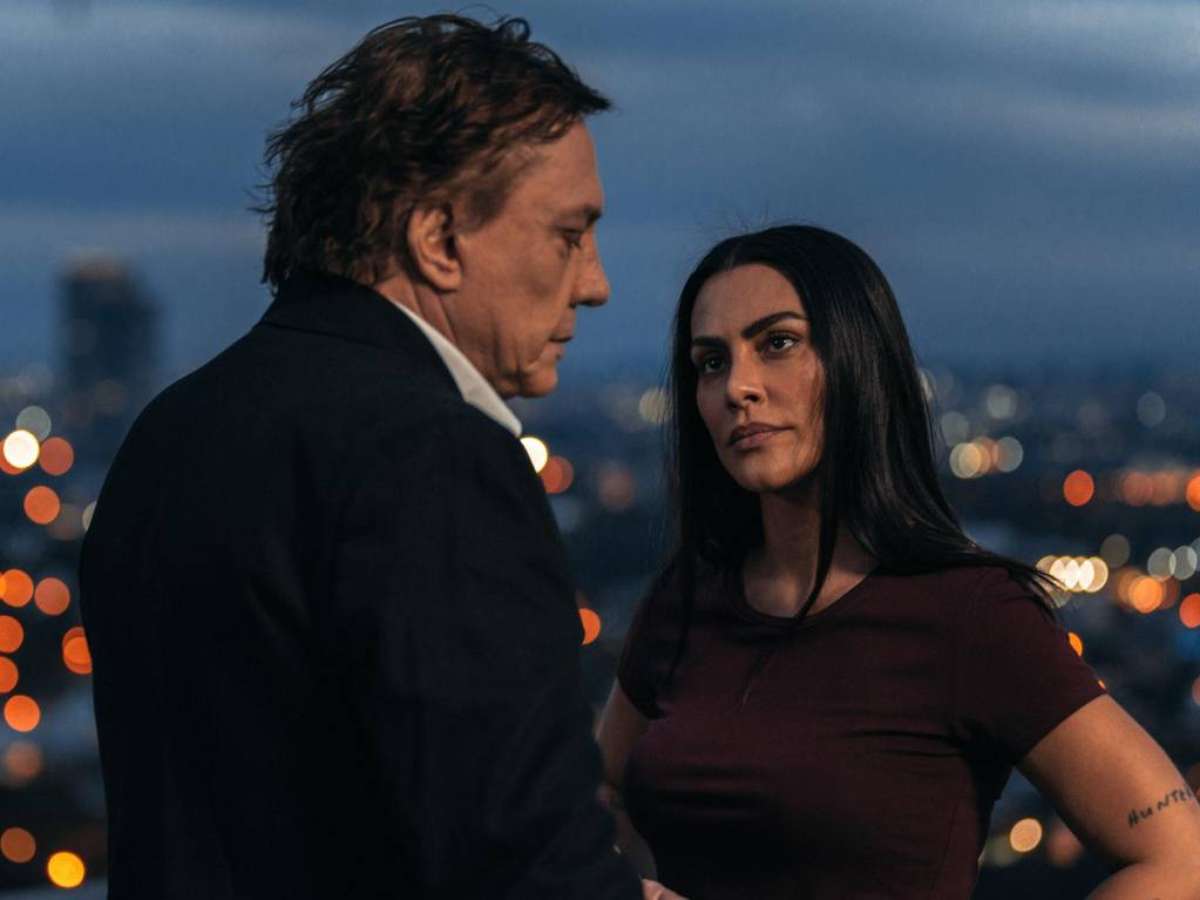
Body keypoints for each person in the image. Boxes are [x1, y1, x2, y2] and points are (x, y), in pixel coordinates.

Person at [79, 15, 684, 899]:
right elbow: (518, 860)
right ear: (438, 240)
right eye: (569, 233)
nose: (595, 283)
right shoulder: (437, 458)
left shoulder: (168, 434)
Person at [596, 225, 1200, 898]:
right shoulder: (685, 602)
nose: (738, 386)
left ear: (859, 361)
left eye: (778, 343)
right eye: (711, 361)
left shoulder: (968, 613)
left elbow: (1180, 858)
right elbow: (593, 794)